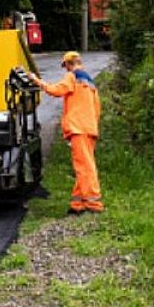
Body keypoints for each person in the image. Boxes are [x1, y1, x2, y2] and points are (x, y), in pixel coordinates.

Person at [25, 51, 104, 215]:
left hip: (78, 128)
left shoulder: (72, 76)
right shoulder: (90, 82)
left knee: (84, 167)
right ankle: (78, 204)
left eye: (65, 66)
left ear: (68, 64)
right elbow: (97, 108)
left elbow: (56, 90)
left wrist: (36, 80)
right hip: (89, 128)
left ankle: (93, 204)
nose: (65, 70)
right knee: (85, 164)